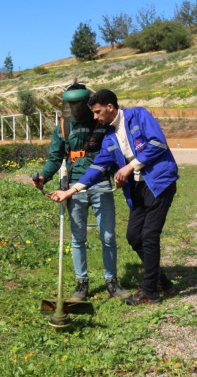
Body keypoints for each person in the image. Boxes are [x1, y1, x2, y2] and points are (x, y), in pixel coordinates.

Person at [48, 89, 179, 305]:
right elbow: (98, 166)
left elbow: (158, 143)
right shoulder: (109, 136)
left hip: (159, 183)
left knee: (149, 235)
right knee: (134, 236)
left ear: (110, 107)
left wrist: (129, 167)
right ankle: (161, 281)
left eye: (98, 112)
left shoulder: (138, 115)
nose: (95, 117)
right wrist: (70, 191)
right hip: (138, 188)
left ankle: (150, 293)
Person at [33, 82, 132, 302]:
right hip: (74, 188)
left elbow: (116, 150)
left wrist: (120, 172)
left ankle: (112, 282)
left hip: (101, 185)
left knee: (107, 235)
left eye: (79, 104)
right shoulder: (63, 127)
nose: (75, 109)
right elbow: (54, 158)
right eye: (71, 104)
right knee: (77, 238)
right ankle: (81, 284)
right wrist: (44, 176)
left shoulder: (102, 123)